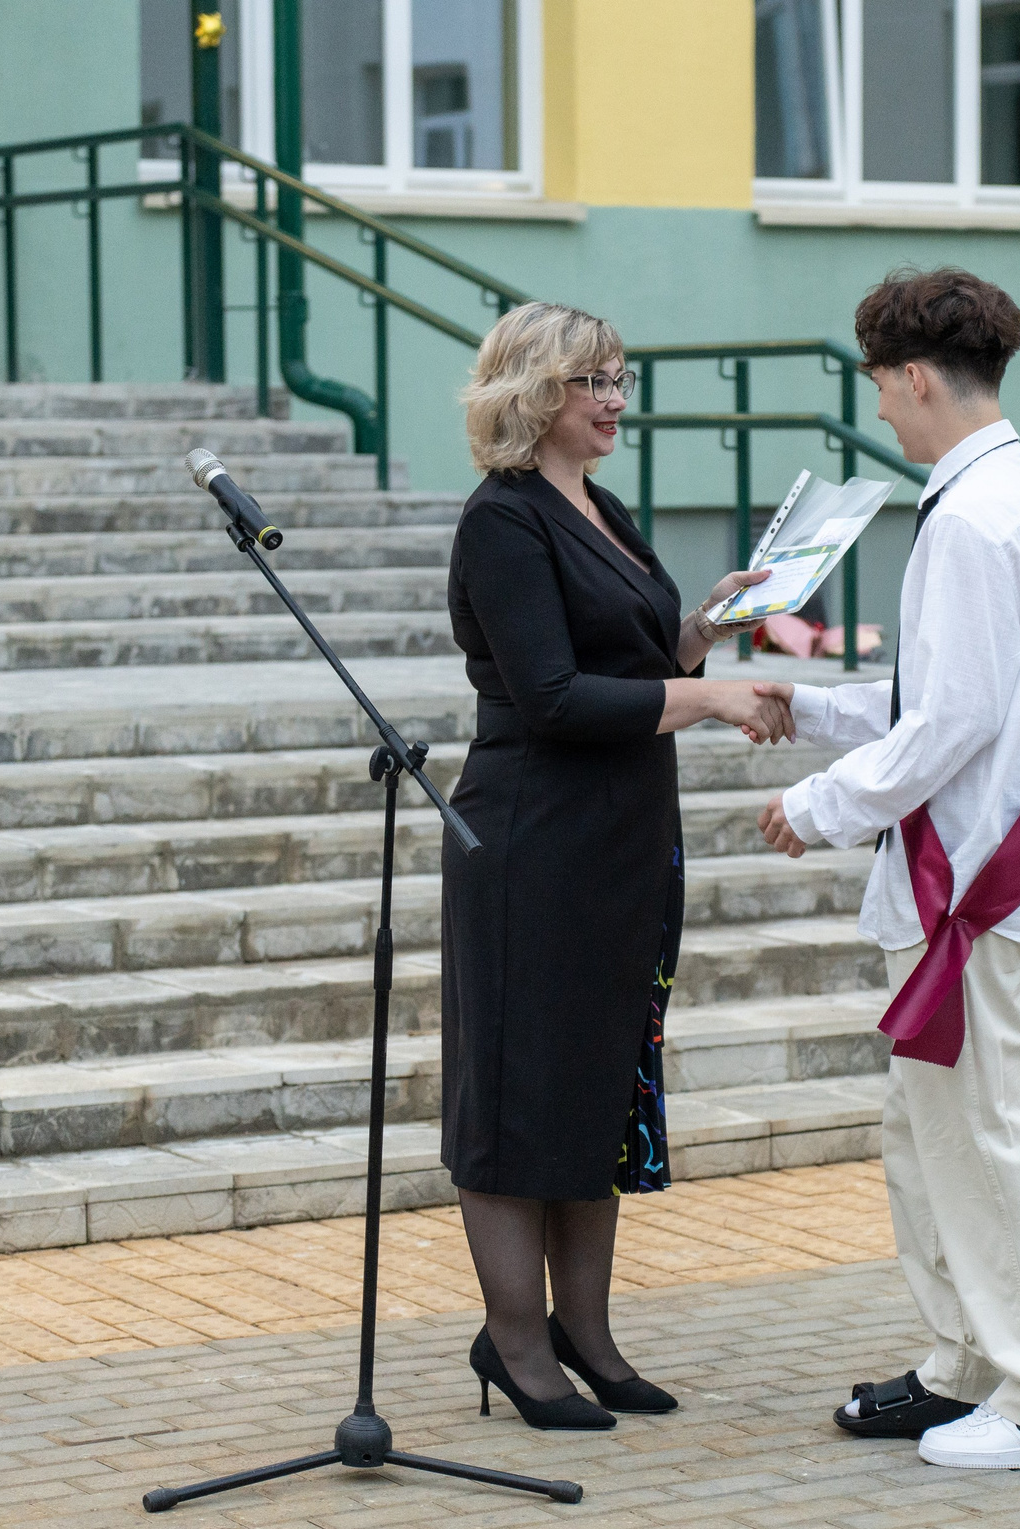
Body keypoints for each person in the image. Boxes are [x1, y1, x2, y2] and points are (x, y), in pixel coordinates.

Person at [755, 267, 1020, 1471]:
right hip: (988, 866)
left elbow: (948, 721)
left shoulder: (967, 516)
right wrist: (804, 715)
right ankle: (969, 1362)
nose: (883, 414)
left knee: (982, 1137)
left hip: (971, 881)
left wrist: (815, 805)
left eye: (881, 388)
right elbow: (954, 698)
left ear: (913, 376)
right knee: (935, 1134)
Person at [441, 302, 791, 1430]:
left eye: (621, 379)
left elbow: (636, 657)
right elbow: (549, 696)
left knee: (597, 1089)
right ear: (535, 390)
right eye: (594, 380)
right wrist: (707, 697)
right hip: (533, 842)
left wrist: (702, 632)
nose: (614, 400)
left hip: (624, 840)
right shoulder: (501, 523)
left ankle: (586, 1335)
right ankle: (514, 1341)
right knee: (518, 1091)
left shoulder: (603, 506)